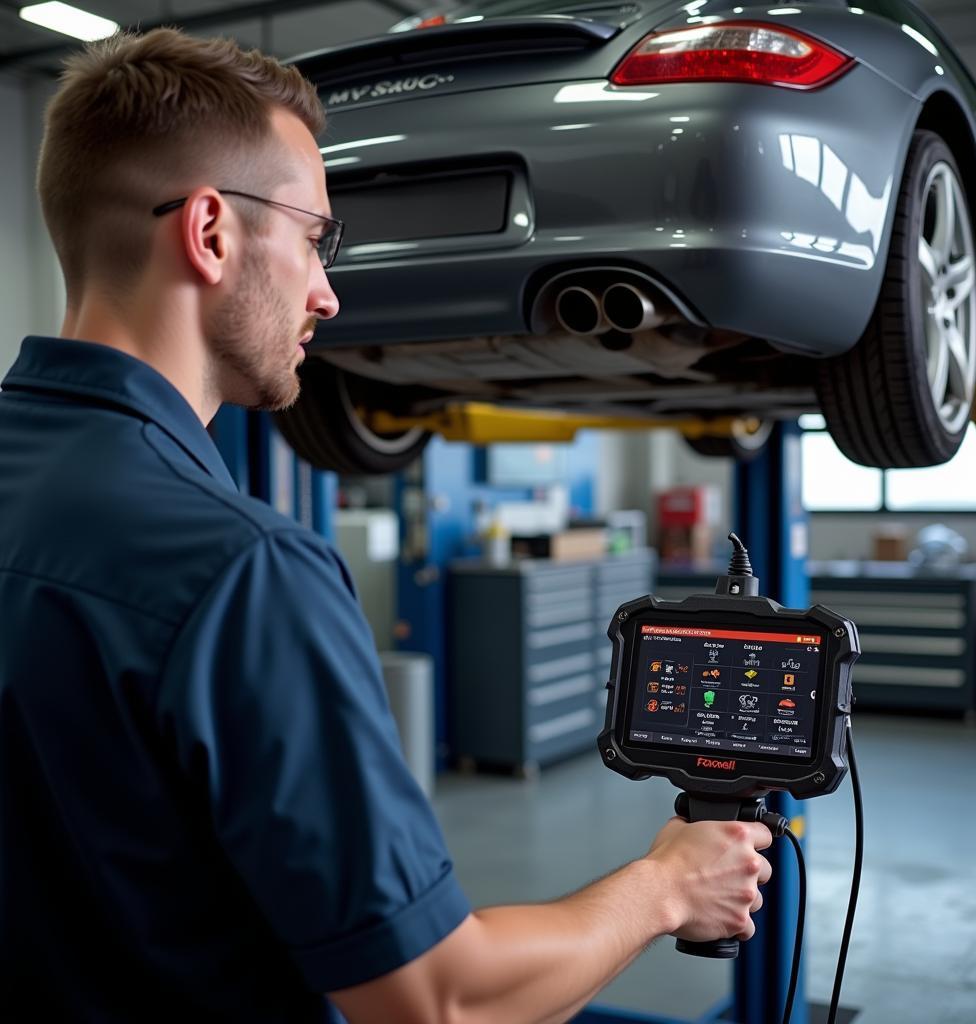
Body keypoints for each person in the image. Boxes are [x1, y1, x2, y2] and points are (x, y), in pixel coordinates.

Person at [0, 29, 772, 1023]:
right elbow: (433, 998)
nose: (328, 291)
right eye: (316, 239)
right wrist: (666, 884)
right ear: (209, 233)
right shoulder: (241, 572)